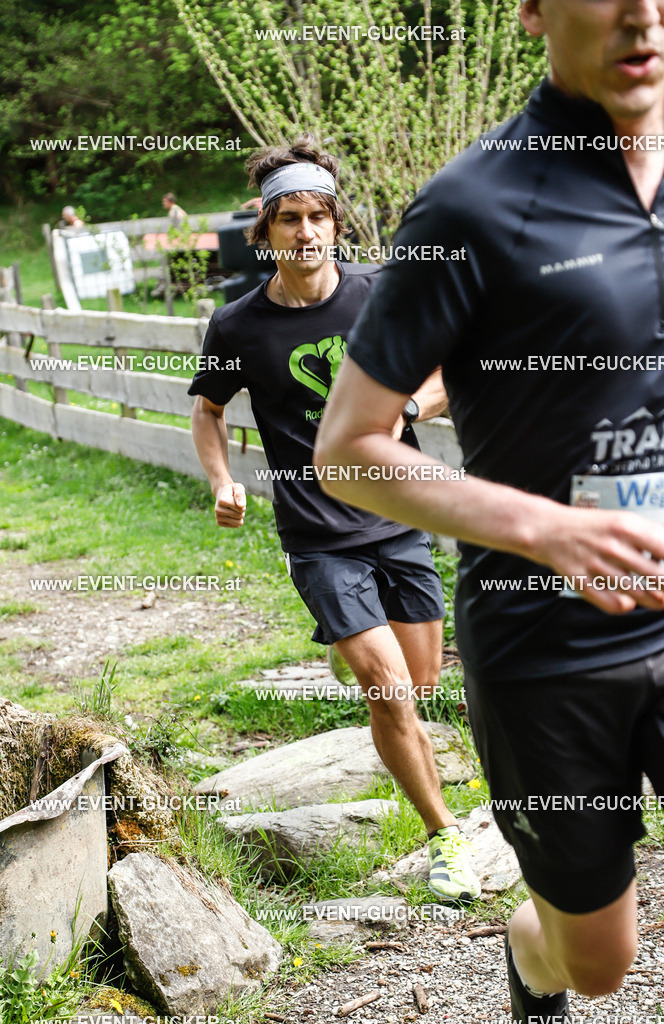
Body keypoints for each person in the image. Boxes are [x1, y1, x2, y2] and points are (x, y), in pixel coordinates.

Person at [314, 1, 664, 1021]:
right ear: (530, 10)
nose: (642, 13)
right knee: (596, 958)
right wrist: (547, 529)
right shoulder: (471, 207)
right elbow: (346, 450)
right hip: (544, 643)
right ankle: (532, 952)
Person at [188, 136, 481, 903]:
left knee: (418, 681)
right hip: (318, 536)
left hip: (398, 516)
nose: (307, 231)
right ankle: (444, 836)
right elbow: (209, 410)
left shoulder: (381, 293)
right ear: (265, 231)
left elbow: (448, 367)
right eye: (290, 219)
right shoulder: (238, 327)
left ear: (337, 224)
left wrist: (408, 408)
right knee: (388, 689)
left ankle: (359, 652)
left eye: (320, 216)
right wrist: (222, 478)